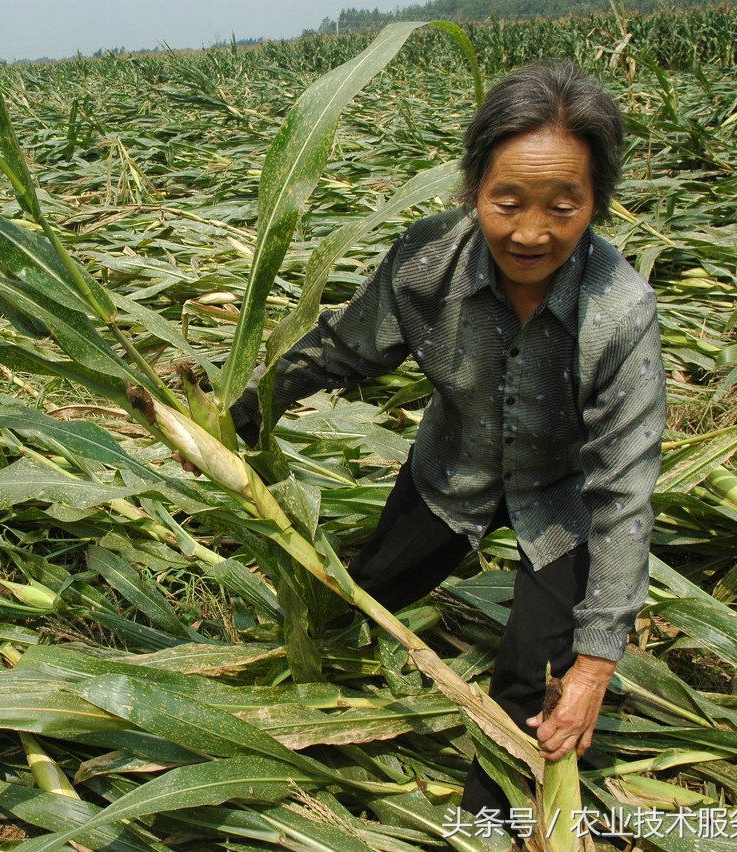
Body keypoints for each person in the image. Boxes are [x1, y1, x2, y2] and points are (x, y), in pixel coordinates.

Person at [228, 61, 666, 817]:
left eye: (563, 207)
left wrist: (596, 665)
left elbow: (624, 493)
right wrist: (240, 413)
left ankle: (489, 821)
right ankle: (308, 728)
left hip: (562, 501)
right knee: (357, 601)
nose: (531, 233)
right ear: (473, 188)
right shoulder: (429, 263)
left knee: (534, 689)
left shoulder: (619, 313)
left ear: (597, 201)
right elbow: (344, 349)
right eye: (507, 202)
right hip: (451, 471)